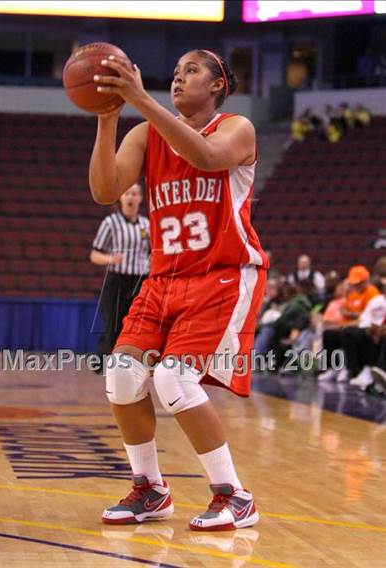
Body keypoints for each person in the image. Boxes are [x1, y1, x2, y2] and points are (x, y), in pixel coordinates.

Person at [89, 49, 269, 530]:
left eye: (191, 71)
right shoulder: (146, 133)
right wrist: (108, 120)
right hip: (164, 277)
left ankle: (234, 495)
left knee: (173, 379)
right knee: (122, 376)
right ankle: (150, 489)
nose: (178, 78)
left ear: (217, 85)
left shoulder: (238, 128)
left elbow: (205, 157)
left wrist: (140, 98)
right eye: (174, 72)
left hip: (222, 275)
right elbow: (105, 191)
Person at [90, 184, 150, 370]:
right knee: (113, 324)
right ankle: (103, 363)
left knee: (133, 325)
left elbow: (152, 252)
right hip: (117, 280)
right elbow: (94, 254)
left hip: (140, 281)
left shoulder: (147, 224)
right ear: (121, 198)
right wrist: (110, 258)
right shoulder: (111, 222)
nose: (131, 197)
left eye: (135, 193)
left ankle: (128, 364)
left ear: (140, 198)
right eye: (127, 193)